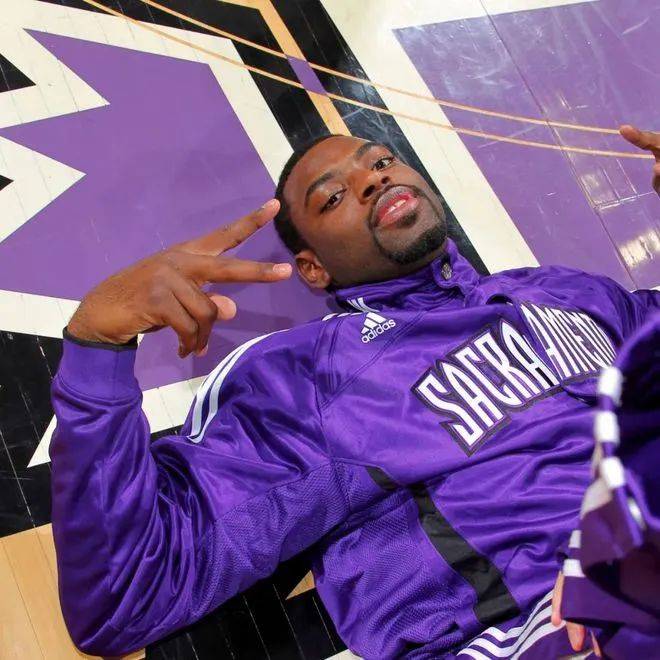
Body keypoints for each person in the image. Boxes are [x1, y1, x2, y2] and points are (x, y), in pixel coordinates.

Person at [50, 125, 659, 659]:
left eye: (381, 161)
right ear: (313, 268)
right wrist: (97, 347)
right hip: (536, 626)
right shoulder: (312, 378)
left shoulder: (564, 291)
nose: (373, 180)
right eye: (334, 197)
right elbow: (125, 593)